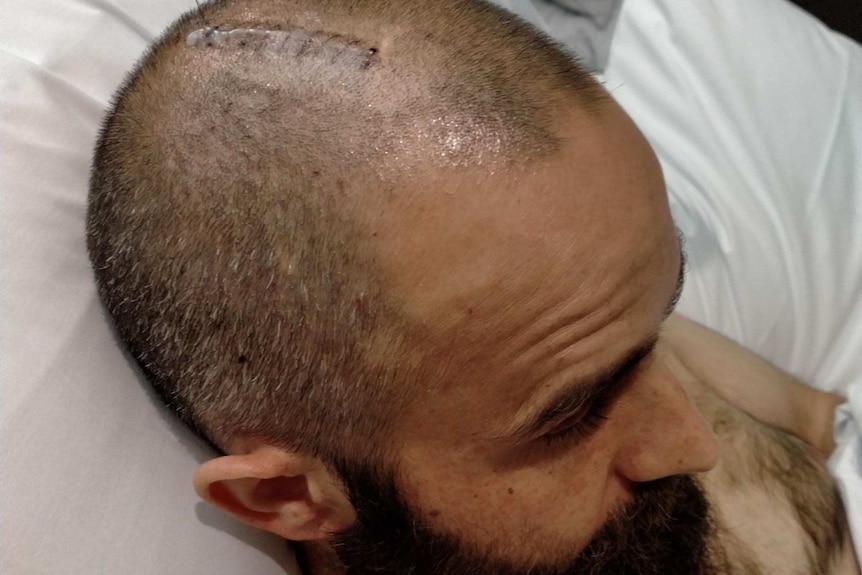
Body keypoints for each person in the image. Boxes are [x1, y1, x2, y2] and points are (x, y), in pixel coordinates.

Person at [85, 0, 857, 573]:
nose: (693, 440)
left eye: (654, 325)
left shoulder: (573, 326)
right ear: (288, 494)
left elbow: (823, 421)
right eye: (571, 418)